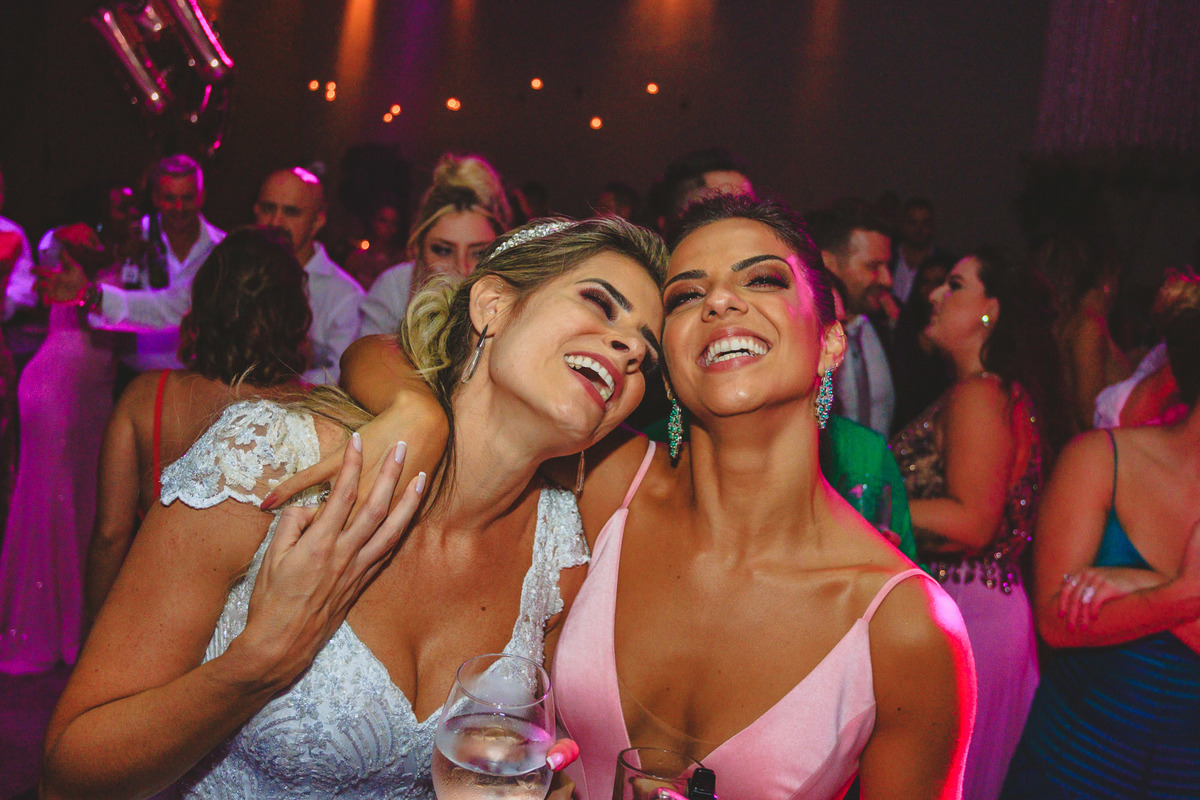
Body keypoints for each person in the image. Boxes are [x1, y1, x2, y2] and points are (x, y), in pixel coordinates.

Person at [315, 195, 976, 799]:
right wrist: (415, 413)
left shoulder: (906, 628)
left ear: (831, 339)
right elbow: (421, 360)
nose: (720, 303)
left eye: (762, 280)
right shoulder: (601, 480)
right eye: (688, 295)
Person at [42, 216, 666, 799]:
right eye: (598, 302)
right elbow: (69, 773)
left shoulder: (560, 560)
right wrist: (255, 666)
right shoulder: (271, 460)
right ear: (493, 305)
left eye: (647, 350)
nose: (629, 348)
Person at [890, 248, 1070, 800]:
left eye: (955, 285)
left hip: (970, 613)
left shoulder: (978, 395)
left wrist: (863, 507)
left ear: (990, 311)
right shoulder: (988, 391)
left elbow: (972, 522)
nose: (935, 296)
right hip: (979, 609)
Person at [1001, 304, 1200, 798]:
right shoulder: (1100, 459)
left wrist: (1143, 582)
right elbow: (1056, 623)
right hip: (1077, 759)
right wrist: (1180, 595)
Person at [84, 228, 312, 629]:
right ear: (293, 314)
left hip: (159, 624)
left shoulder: (145, 398)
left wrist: (94, 637)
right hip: (260, 632)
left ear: (204, 303)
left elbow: (110, 536)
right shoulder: (314, 410)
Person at [0, 188, 143, 674]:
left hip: (86, 387)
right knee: (53, 497)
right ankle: (47, 626)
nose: (128, 214)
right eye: (119, 206)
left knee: (79, 497)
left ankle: (70, 623)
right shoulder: (71, 247)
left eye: (132, 207)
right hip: (59, 383)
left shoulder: (134, 264)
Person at [36, 154, 225, 373]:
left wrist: (91, 294)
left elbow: (176, 306)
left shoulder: (222, 248)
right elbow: (54, 255)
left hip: (199, 377)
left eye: (188, 198)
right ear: (155, 198)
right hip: (135, 376)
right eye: (169, 198)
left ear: (202, 197)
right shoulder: (131, 234)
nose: (179, 207)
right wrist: (59, 237)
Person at [358, 154, 511, 337]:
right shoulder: (393, 288)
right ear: (418, 248)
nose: (461, 269)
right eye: (443, 251)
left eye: (479, 253)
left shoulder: (517, 304)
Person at [253, 167, 364, 384]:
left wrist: (275, 385)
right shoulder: (238, 276)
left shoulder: (345, 296)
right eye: (268, 209)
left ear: (317, 221)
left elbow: (343, 376)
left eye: (291, 212)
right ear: (255, 210)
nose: (275, 222)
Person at [806, 199, 896, 437]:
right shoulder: (808, 338)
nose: (887, 280)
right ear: (829, 264)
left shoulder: (889, 325)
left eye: (888, 266)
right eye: (873, 266)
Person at [1031, 232, 1130, 432]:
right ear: (1106, 279)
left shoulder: (1072, 323)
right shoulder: (1088, 326)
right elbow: (1090, 414)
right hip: (1097, 444)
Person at [344, 193, 407, 290]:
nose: (388, 227)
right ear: (373, 221)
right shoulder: (356, 259)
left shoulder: (402, 261)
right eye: (383, 221)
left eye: (393, 223)